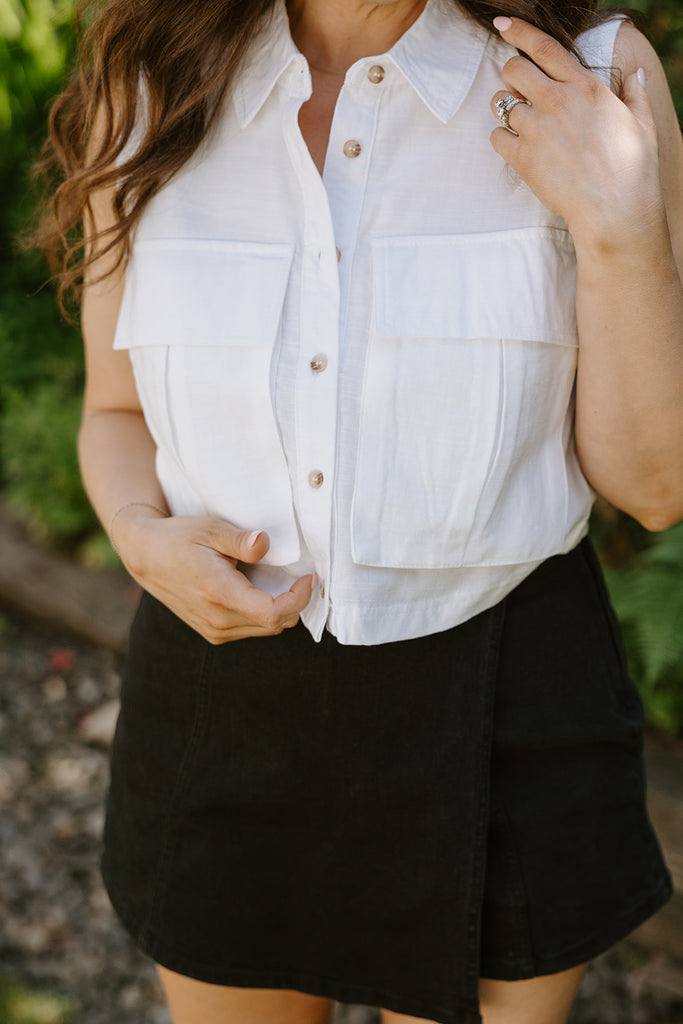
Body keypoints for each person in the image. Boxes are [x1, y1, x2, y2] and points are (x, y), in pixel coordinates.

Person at [37, 0, 683, 1021]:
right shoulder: (149, 75)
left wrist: (615, 223)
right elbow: (113, 414)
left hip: (503, 702)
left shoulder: (591, 80)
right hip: (221, 703)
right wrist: (138, 536)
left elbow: (652, 486)